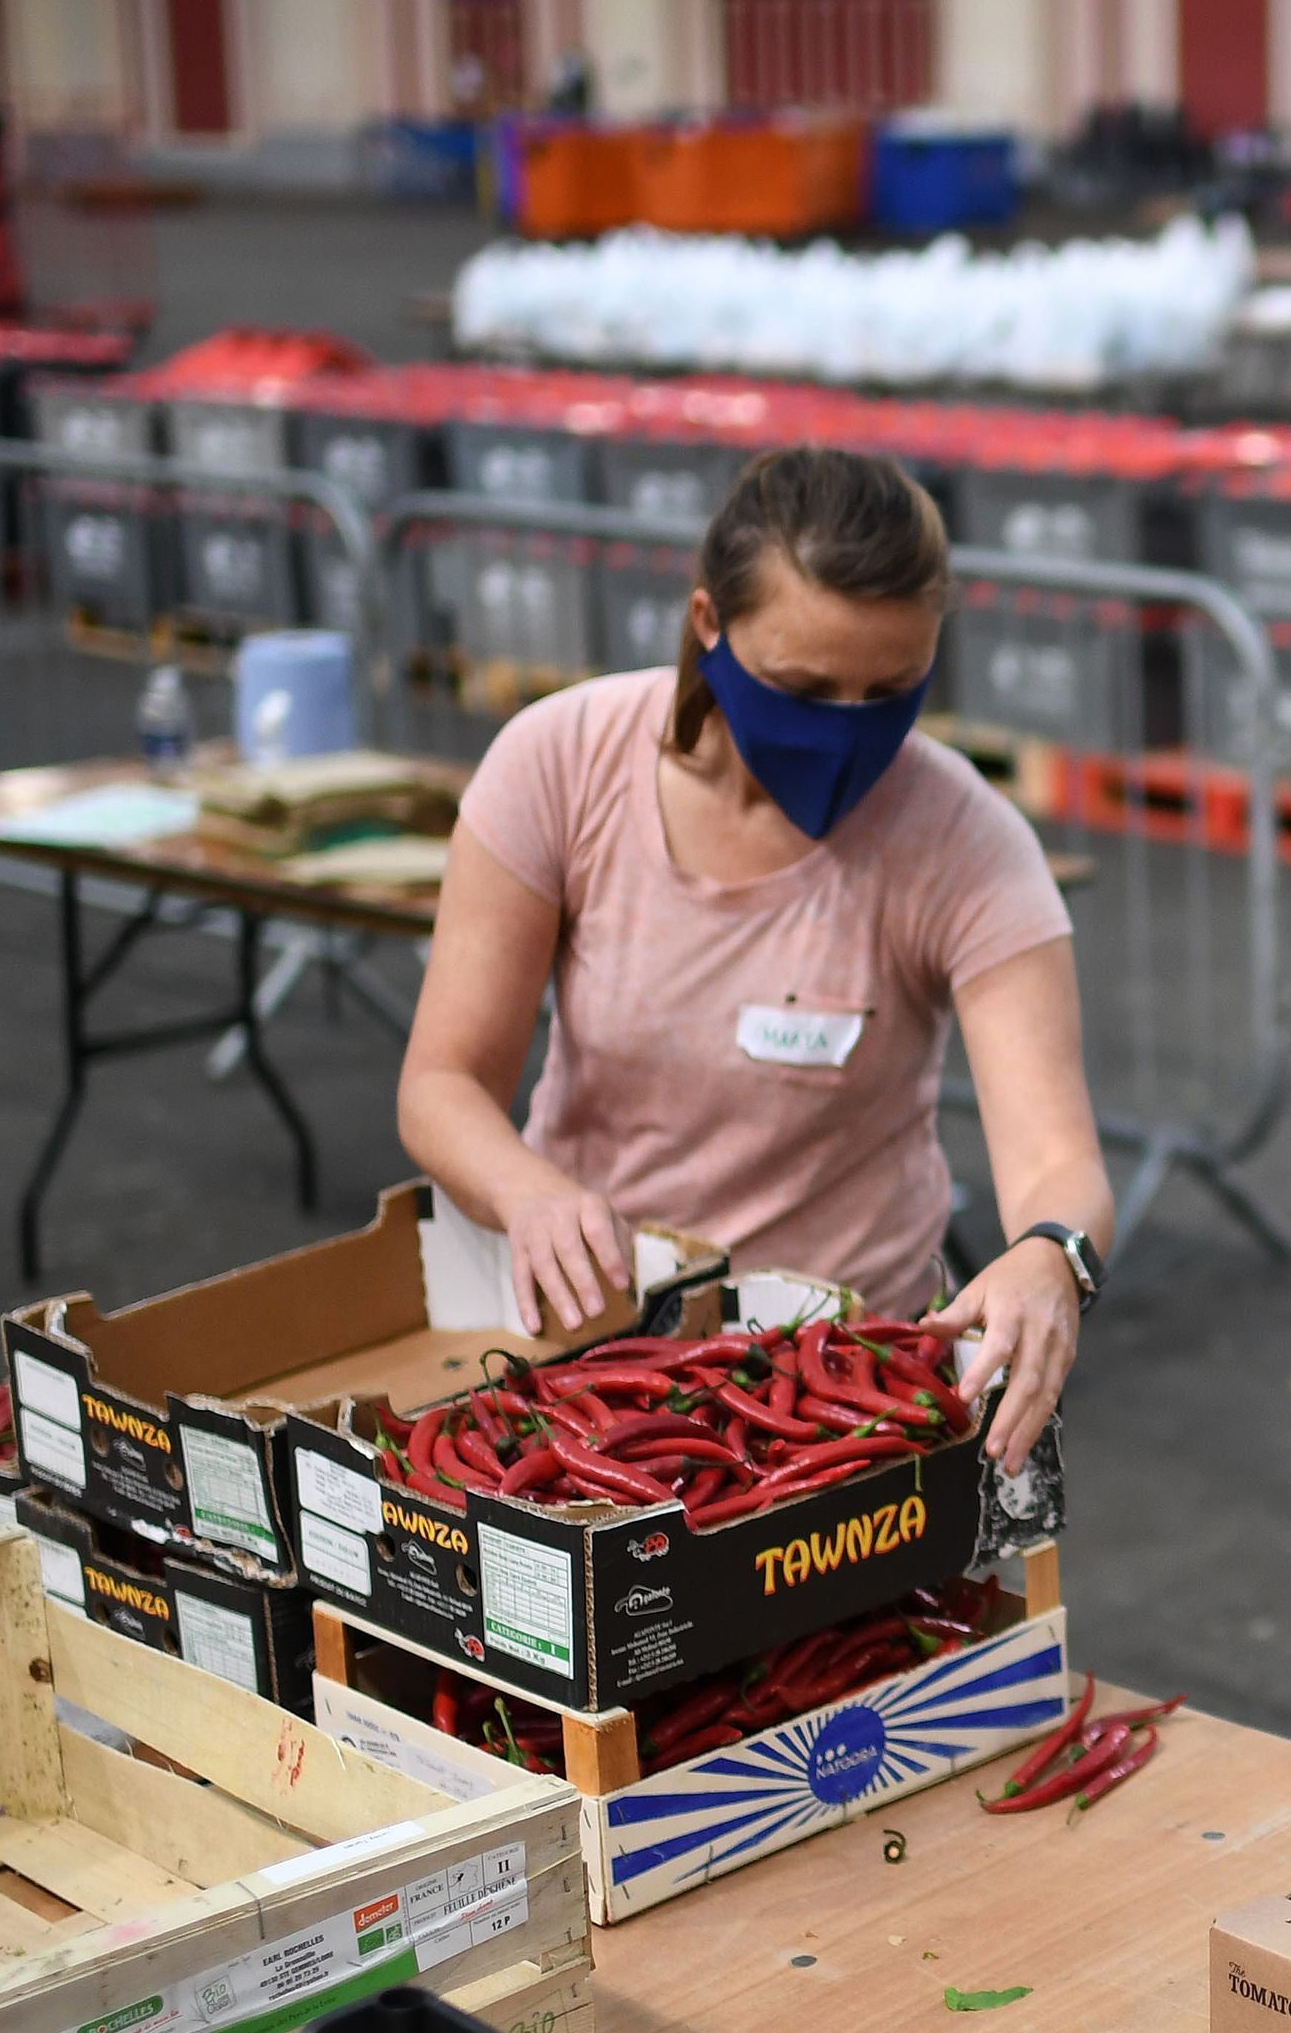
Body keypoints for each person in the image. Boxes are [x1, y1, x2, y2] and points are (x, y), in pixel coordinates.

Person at [401, 446, 1115, 1464]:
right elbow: (441, 1080)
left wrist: (1054, 1254)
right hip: (586, 1358)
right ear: (709, 625)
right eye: (803, 686)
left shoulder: (965, 841)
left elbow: (1055, 1155)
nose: (845, 729)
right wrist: (528, 1192)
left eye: (891, 689)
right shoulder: (562, 763)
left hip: (831, 1395)